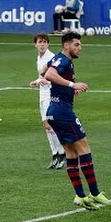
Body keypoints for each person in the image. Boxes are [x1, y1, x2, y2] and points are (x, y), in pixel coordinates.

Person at [43, 32, 111, 210]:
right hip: (62, 112)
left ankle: (80, 196)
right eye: (76, 45)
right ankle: (95, 193)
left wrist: (64, 89)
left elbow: (43, 71)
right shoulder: (64, 60)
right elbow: (49, 74)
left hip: (53, 111)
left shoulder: (60, 60)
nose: (79, 48)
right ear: (66, 46)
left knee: (71, 153)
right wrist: (72, 85)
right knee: (84, 148)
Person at [28, 33, 66, 170]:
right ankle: (55, 154)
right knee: (46, 126)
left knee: (52, 125)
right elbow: (42, 76)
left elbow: (55, 76)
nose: (42, 44)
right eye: (40, 42)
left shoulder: (51, 58)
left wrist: (39, 81)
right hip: (42, 94)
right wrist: (38, 81)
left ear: (48, 44)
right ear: (35, 44)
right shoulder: (39, 58)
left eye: (44, 42)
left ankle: (62, 153)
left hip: (51, 94)